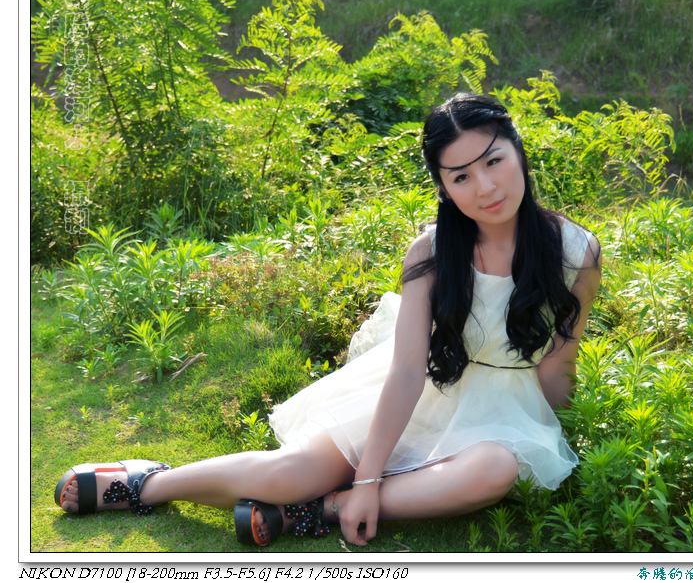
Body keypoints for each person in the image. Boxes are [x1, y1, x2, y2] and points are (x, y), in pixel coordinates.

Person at [55, 93, 602, 549]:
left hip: (505, 412)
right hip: (428, 390)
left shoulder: (575, 253)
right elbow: (407, 372)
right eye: (461, 176)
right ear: (443, 187)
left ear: (518, 151)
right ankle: (151, 483)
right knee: (287, 474)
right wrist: (368, 473)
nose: (485, 187)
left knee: (492, 471)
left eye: (493, 161)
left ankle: (322, 509)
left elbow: (560, 363)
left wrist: (557, 427)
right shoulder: (433, 253)